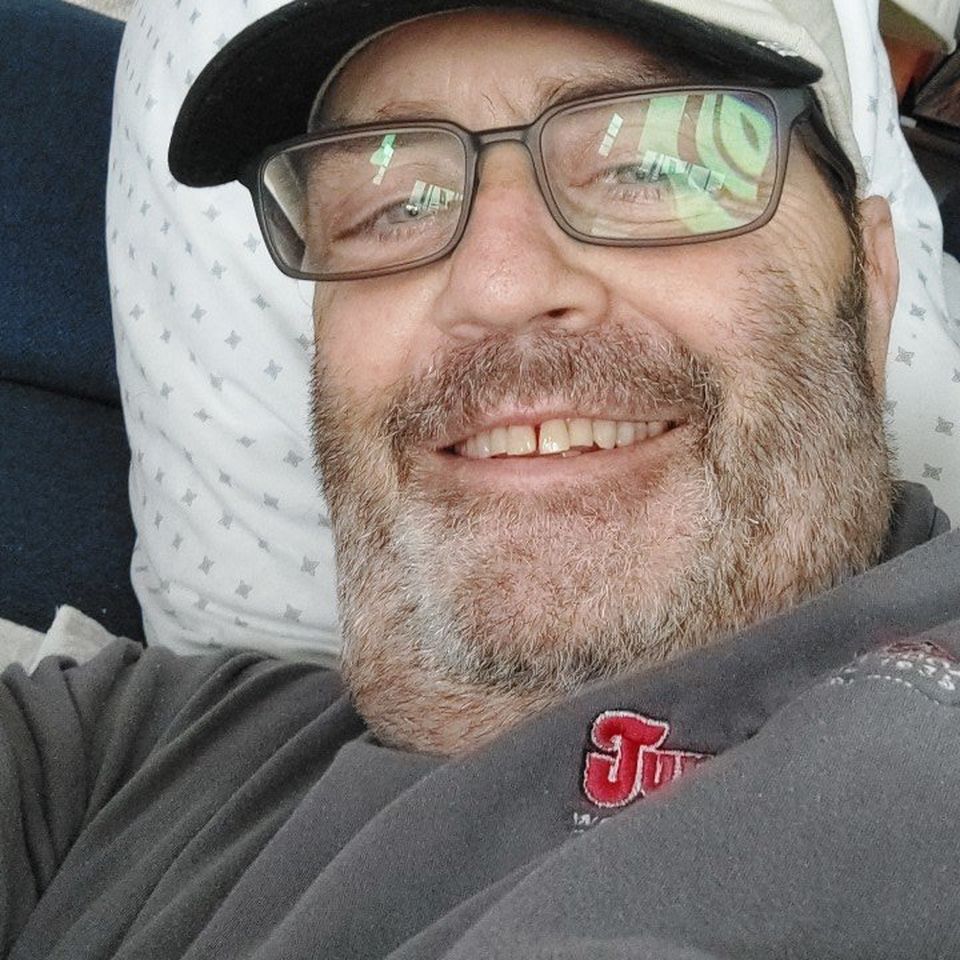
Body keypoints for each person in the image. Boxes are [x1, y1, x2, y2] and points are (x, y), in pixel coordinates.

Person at [2, 0, 958, 958]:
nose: (497, 288)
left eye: (654, 167)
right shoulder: (126, 753)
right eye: (392, 206)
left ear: (871, 288)